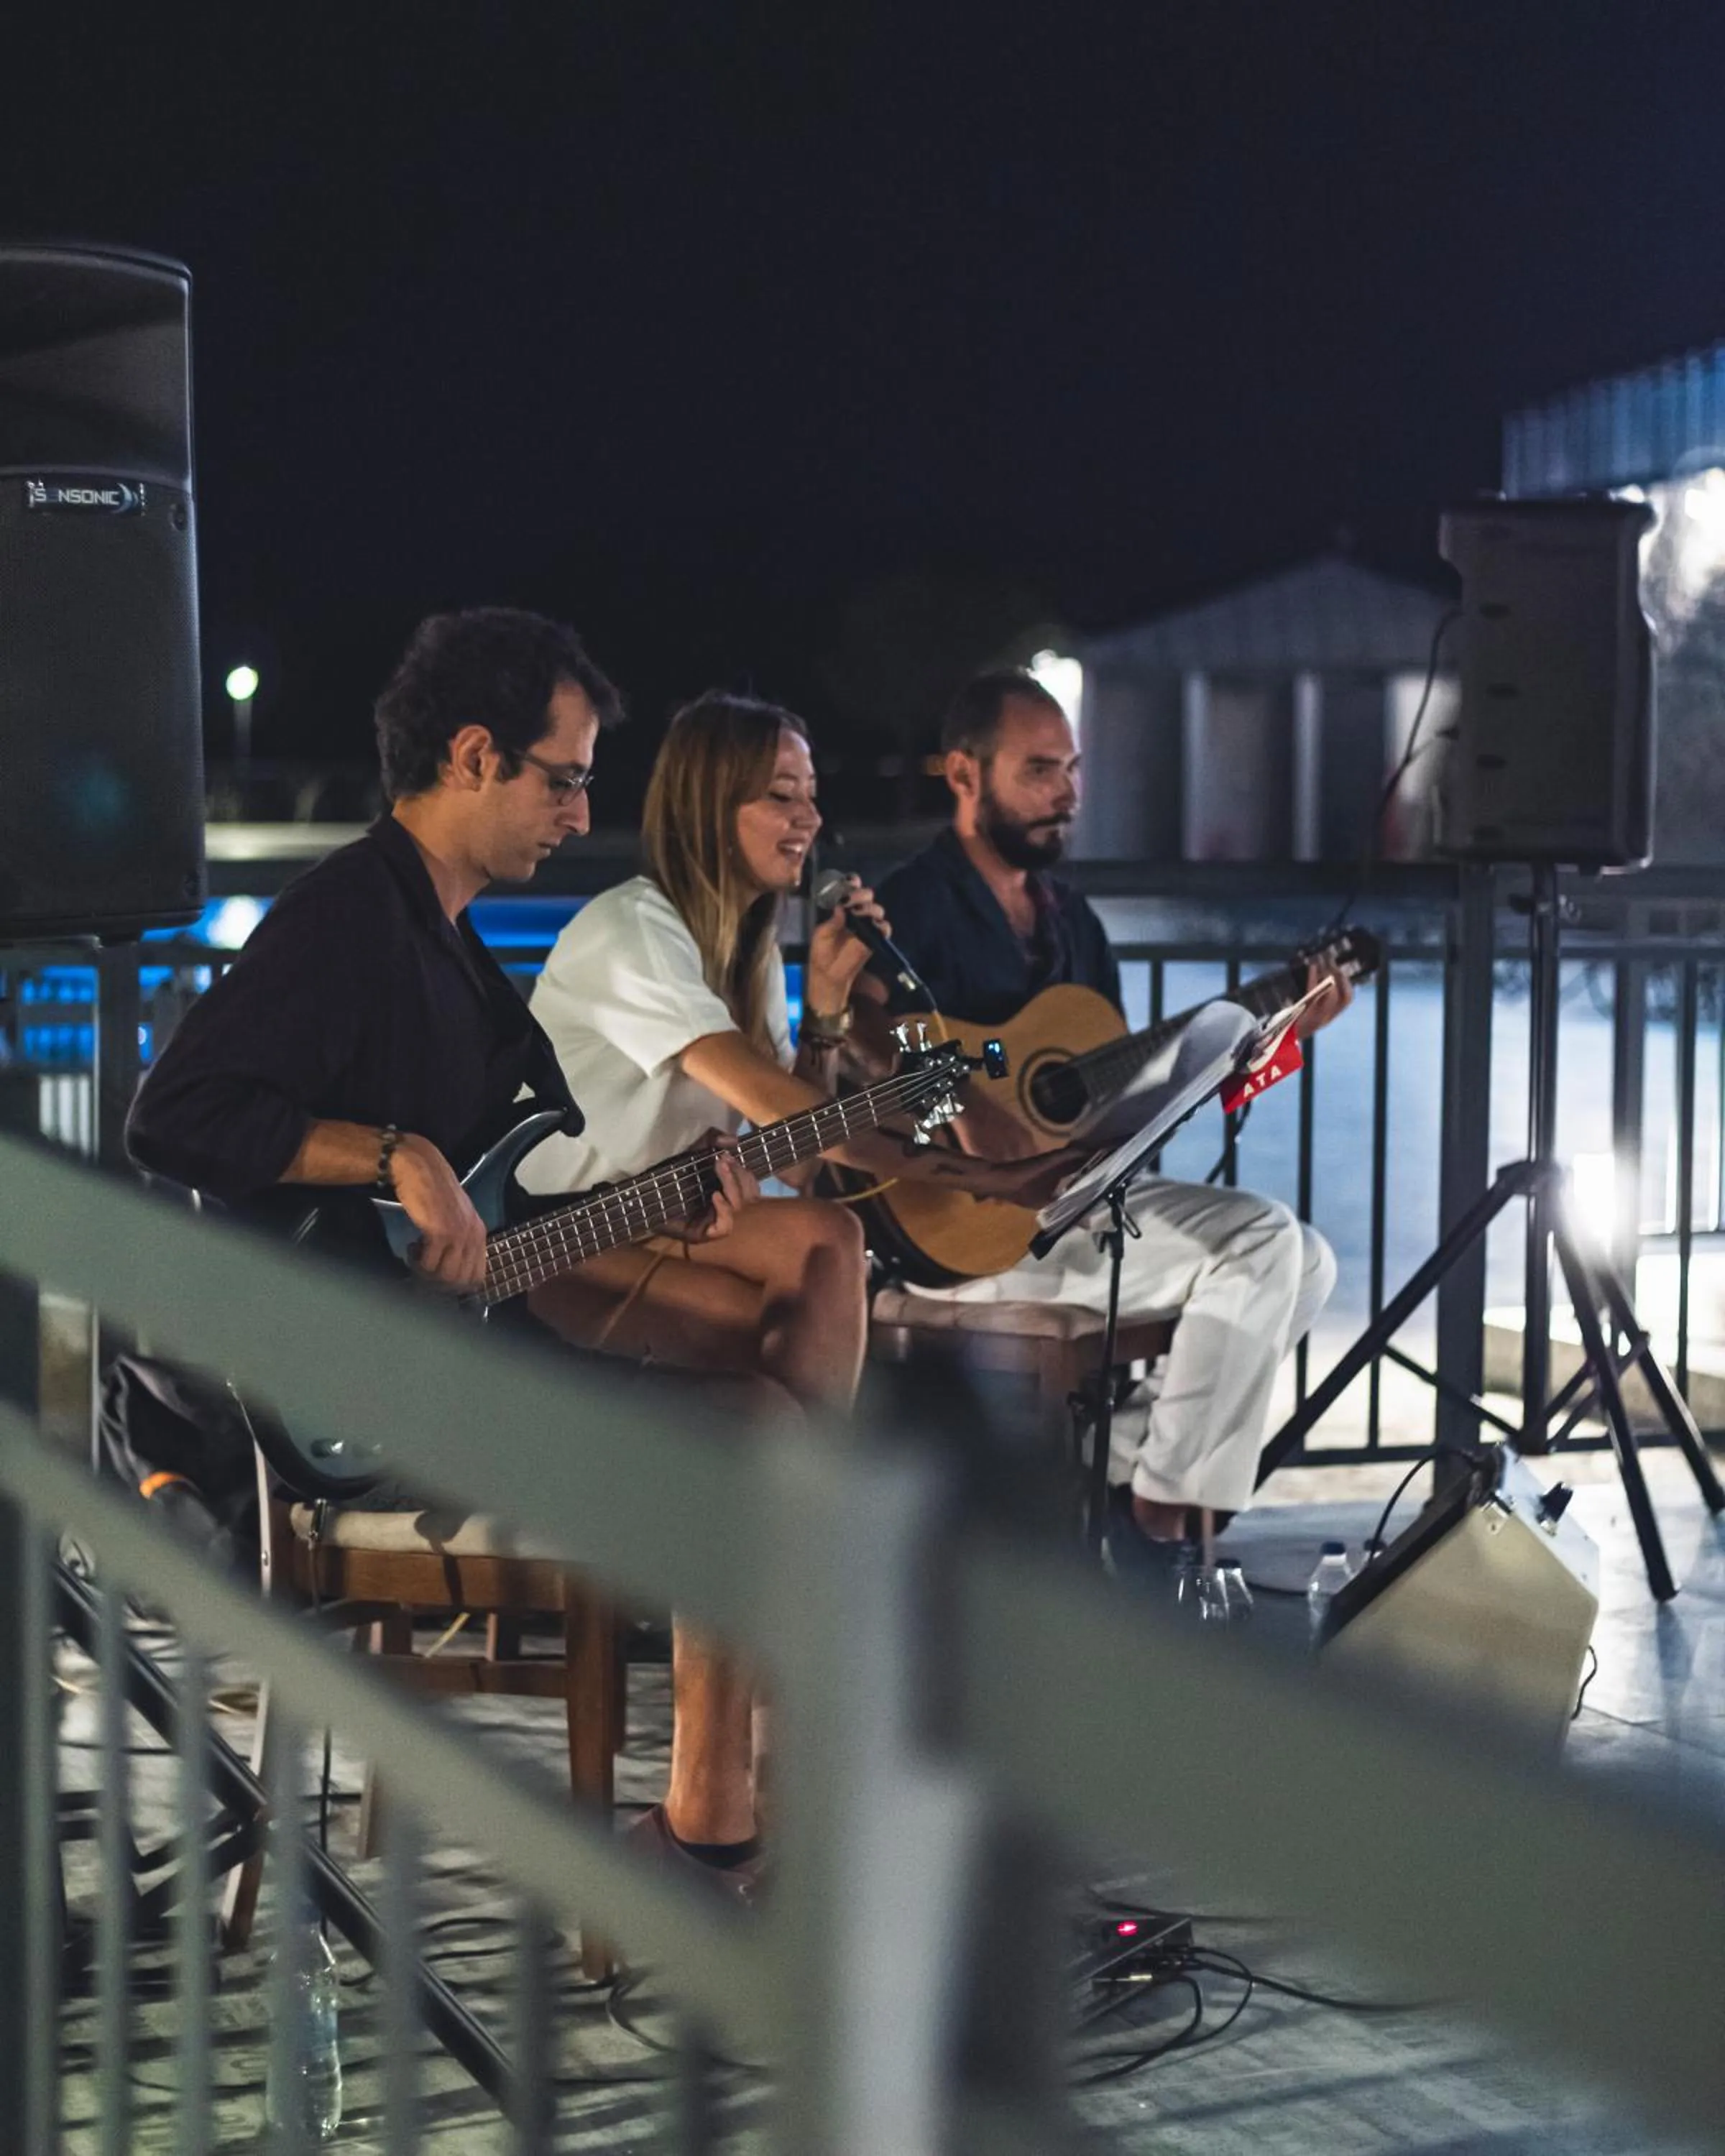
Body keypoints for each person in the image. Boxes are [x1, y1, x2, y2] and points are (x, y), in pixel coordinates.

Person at [124, 607, 770, 1892]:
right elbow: (173, 1117)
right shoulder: (346, 918)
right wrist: (388, 1155)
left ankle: (733, 1816)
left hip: (448, 1352)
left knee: (772, 1408)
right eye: (565, 777)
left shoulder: (458, 956)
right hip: (355, 1397)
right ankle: (709, 1835)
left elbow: (500, 1213)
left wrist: (654, 1195)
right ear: (475, 754)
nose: (581, 813)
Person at [519, 690, 1073, 1858]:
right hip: (558, 1240)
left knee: (823, 1275)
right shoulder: (637, 931)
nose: (808, 818)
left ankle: (750, 1767)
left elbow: (801, 1143)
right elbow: (784, 1120)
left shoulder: (745, 950)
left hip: (673, 1220)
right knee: (789, 1364)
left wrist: (836, 1011)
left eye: (814, 795)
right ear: (705, 802)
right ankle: (778, 1721)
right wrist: (973, 1178)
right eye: (781, 794)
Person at [870, 668, 1353, 1585]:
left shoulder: (1072, 923)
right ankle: (1161, 1521)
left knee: (1310, 1256)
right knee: (1258, 1247)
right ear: (966, 776)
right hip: (955, 1225)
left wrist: (1256, 1044)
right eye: (1041, 771)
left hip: (1068, 1207)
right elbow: (874, 1045)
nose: (1069, 793)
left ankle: (1124, 1477)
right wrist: (968, 1109)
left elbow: (1111, 1114)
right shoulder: (915, 907)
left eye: (1075, 769)